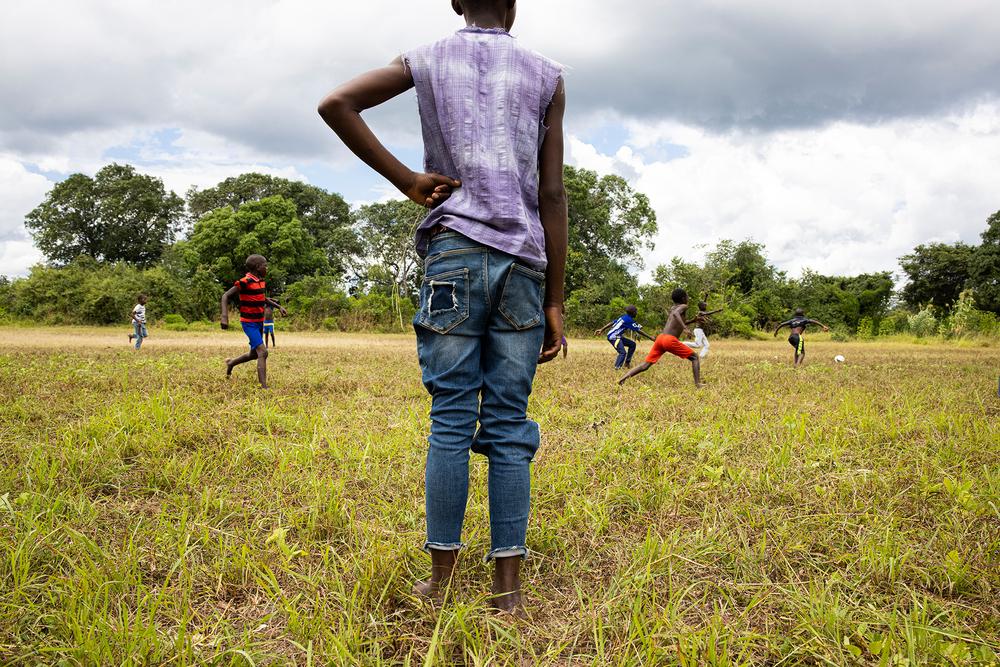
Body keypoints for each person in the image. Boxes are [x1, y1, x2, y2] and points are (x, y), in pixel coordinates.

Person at [318, 0, 566, 615]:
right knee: (509, 422)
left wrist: (407, 179)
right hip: (521, 261)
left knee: (452, 418)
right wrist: (556, 298)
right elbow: (552, 191)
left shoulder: (426, 58)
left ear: (456, 1)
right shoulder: (548, 74)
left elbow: (335, 104)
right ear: (515, 4)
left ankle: (441, 578)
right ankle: (507, 589)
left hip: (453, 253)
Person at [220, 255, 287, 388]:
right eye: (265, 266)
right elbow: (225, 296)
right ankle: (263, 387)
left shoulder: (261, 281)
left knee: (254, 354)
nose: (266, 268)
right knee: (263, 352)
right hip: (248, 323)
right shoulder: (245, 281)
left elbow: (262, 298)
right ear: (258, 267)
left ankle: (231, 363)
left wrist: (279, 307)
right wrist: (224, 317)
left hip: (259, 322)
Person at [618, 288, 703, 388]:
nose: (688, 298)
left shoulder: (673, 308)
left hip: (661, 338)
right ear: (684, 298)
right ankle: (698, 384)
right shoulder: (684, 306)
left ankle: (622, 379)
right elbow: (677, 315)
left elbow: (676, 320)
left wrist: (693, 320)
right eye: (687, 296)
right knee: (695, 357)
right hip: (669, 340)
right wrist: (685, 328)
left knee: (646, 365)